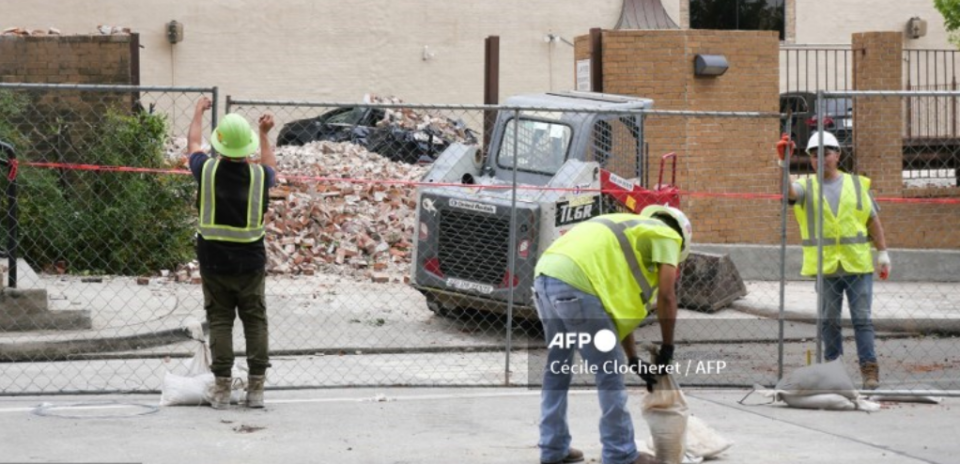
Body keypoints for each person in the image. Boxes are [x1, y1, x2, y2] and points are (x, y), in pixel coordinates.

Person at [533, 205, 692, 464]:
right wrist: (667, 347)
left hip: (546, 274)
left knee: (558, 366)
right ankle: (620, 454)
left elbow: (616, 314)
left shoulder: (626, 230)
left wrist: (633, 358)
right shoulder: (668, 236)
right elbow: (667, 295)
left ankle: (553, 448)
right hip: (577, 284)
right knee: (608, 370)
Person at [779, 131, 891, 389]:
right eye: (814, 155)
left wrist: (882, 253)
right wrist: (783, 163)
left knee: (862, 319)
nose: (820, 159)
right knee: (829, 322)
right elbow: (787, 191)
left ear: (837, 155)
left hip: (857, 265)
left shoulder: (856, 184)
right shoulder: (806, 187)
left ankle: (869, 371)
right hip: (826, 267)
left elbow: (873, 219)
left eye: (826, 153)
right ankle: (833, 371)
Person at [186, 97, 278, 408]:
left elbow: (193, 144)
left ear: (221, 146)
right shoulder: (260, 177)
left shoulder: (206, 170)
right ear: (247, 148)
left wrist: (198, 111)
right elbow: (270, 165)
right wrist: (265, 133)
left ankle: (222, 389)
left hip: (213, 261)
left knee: (221, 319)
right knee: (255, 320)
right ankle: (256, 390)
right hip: (250, 262)